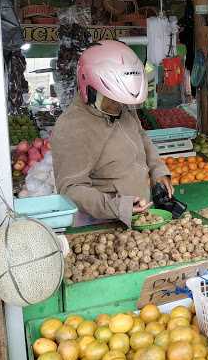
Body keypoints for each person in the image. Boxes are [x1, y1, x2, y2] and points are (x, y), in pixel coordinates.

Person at [52, 40, 172, 226]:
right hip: (103, 224)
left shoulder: (123, 109)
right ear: (89, 89)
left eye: (122, 101)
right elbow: (71, 189)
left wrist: (158, 170)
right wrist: (117, 206)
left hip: (140, 216)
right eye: (113, 100)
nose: (119, 106)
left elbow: (142, 138)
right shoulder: (72, 126)